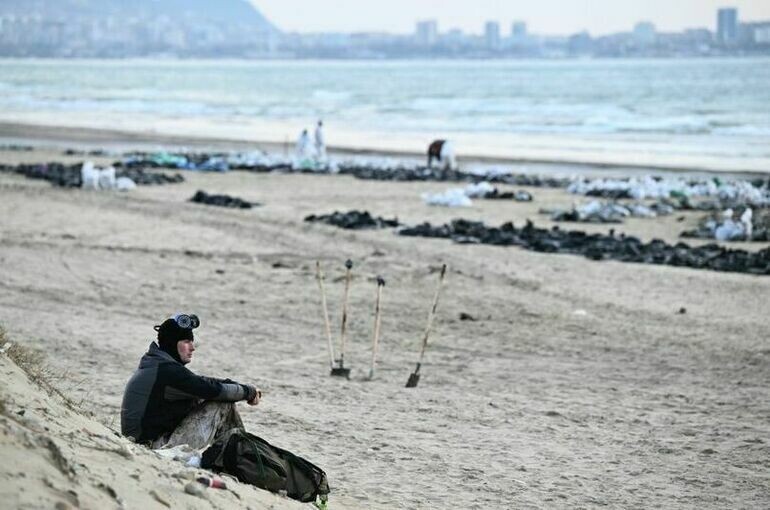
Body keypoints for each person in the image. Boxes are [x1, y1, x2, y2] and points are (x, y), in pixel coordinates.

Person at [120, 314, 260, 449]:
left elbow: (203, 383)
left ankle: (237, 454)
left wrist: (241, 387)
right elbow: (213, 390)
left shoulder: (158, 365)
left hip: (147, 441)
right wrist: (248, 392)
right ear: (172, 344)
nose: (192, 348)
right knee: (222, 403)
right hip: (152, 446)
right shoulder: (168, 371)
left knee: (208, 397)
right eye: (186, 342)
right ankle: (241, 455)